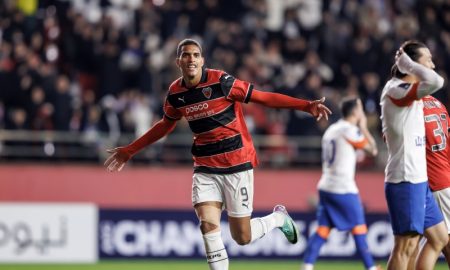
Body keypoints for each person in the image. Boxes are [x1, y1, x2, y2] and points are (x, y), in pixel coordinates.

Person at [104, 38, 332, 270]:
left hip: (237, 163)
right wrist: (129, 151)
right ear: (178, 61)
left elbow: (263, 98)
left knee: (242, 237)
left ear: (202, 60)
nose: (191, 59)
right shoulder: (175, 93)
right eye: (186, 55)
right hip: (205, 167)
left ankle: (278, 218)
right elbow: (165, 125)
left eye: (195, 55)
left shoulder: (222, 82)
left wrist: (306, 106)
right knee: (208, 226)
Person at [380, 40, 448, 270]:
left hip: (420, 181)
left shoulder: (411, 95)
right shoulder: (395, 89)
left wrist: (411, 66)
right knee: (404, 248)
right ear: (410, 64)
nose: (432, 64)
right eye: (427, 59)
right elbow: (436, 81)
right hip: (405, 179)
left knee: (439, 238)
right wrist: (408, 65)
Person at [301, 97, 379, 270]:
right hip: (343, 188)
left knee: (322, 229)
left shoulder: (332, 129)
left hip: (325, 186)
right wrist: (364, 127)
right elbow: (373, 150)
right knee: (359, 228)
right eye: (360, 109)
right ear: (355, 112)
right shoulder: (349, 130)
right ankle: (371, 267)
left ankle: (307, 266)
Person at [422, 94, 450, 267]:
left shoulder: (413, 106)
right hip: (444, 174)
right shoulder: (438, 104)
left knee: (442, 242)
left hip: (434, 180)